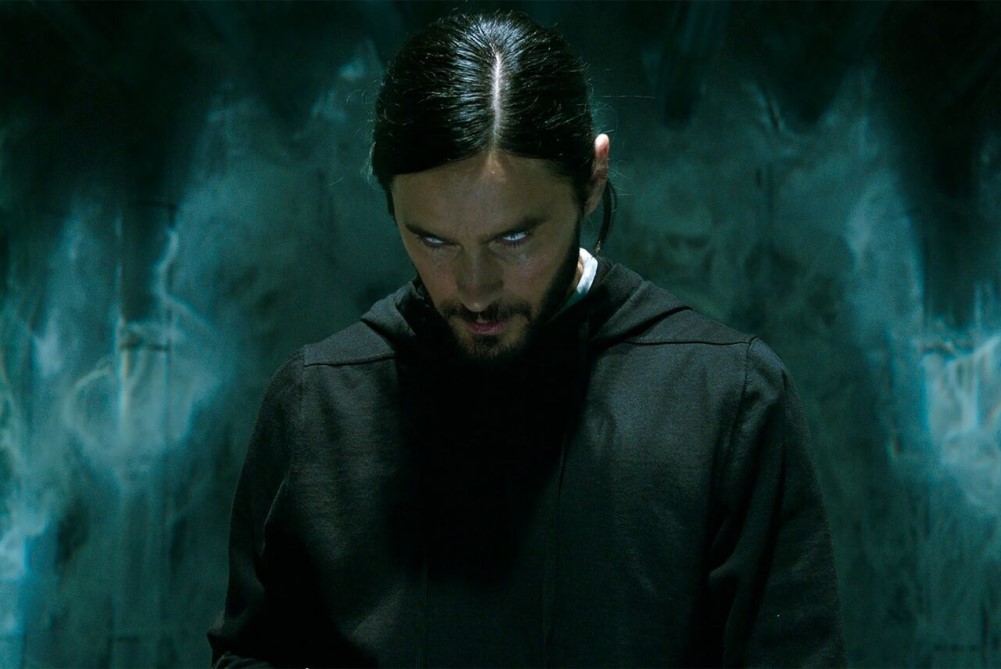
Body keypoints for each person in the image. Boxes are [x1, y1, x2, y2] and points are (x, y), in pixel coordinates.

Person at [209, 10, 845, 667]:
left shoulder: (728, 402)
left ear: (592, 179)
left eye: (513, 237)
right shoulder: (316, 405)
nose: (474, 288)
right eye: (433, 240)